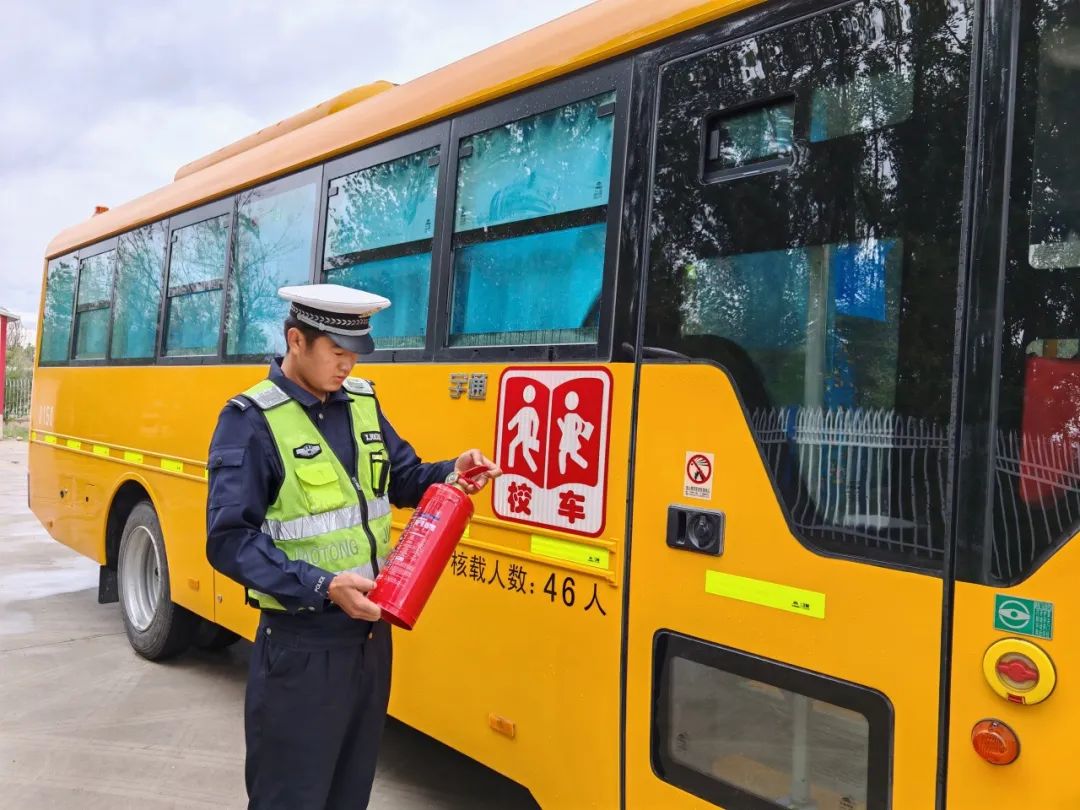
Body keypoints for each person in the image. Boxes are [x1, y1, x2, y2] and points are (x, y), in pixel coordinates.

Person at [205, 283, 499, 810]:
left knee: (349, 792)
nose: (347, 367)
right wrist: (322, 586)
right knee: (290, 797)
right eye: (336, 353)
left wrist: (451, 471)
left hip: (369, 641)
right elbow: (230, 541)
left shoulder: (361, 404)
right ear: (296, 340)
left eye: (354, 355)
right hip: (301, 647)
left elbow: (402, 477)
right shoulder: (250, 420)